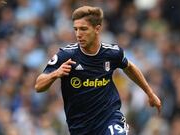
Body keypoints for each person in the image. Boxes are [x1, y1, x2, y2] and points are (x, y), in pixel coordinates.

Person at [35, 6, 162, 135]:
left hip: (110, 118)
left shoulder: (112, 53)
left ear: (97, 29)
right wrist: (56, 74)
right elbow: (38, 86)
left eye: (83, 29)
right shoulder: (66, 55)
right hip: (80, 127)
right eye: (76, 29)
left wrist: (150, 93)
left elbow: (129, 67)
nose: (78, 34)